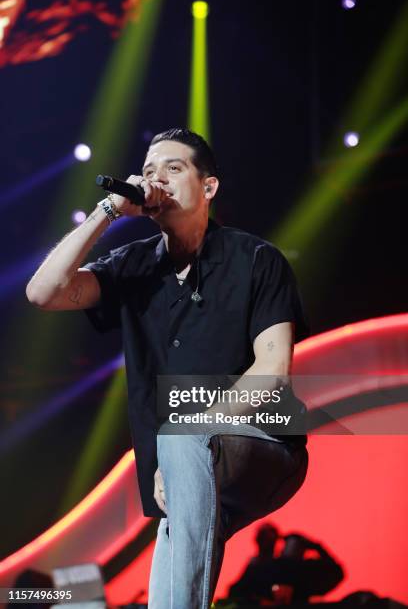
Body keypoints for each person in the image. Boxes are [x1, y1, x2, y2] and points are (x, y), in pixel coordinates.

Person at [26, 128, 309, 609]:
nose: (157, 179)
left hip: (267, 444)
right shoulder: (133, 265)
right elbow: (43, 293)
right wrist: (108, 210)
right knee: (169, 579)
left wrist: (190, 434)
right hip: (184, 465)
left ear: (209, 188)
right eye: (150, 171)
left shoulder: (256, 259)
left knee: (179, 439)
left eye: (174, 169)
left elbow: (274, 368)